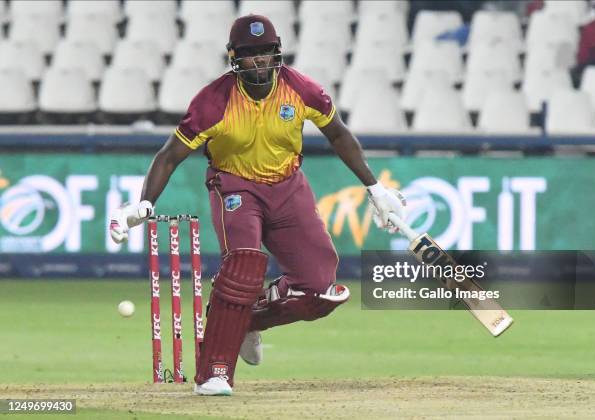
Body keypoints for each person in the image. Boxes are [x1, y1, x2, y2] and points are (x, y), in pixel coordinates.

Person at [109, 14, 404, 396]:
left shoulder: (300, 89)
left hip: (288, 186)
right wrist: (144, 204)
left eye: (266, 53)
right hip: (234, 186)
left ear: (277, 52)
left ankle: (248, 320)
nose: (260, 62)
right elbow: (169, 156)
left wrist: (375, 188)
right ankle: (214, 372)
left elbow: (338, 134)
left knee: (320, 290)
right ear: (234, 57)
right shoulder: (213, 102)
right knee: (244, 262)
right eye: (250, 55)